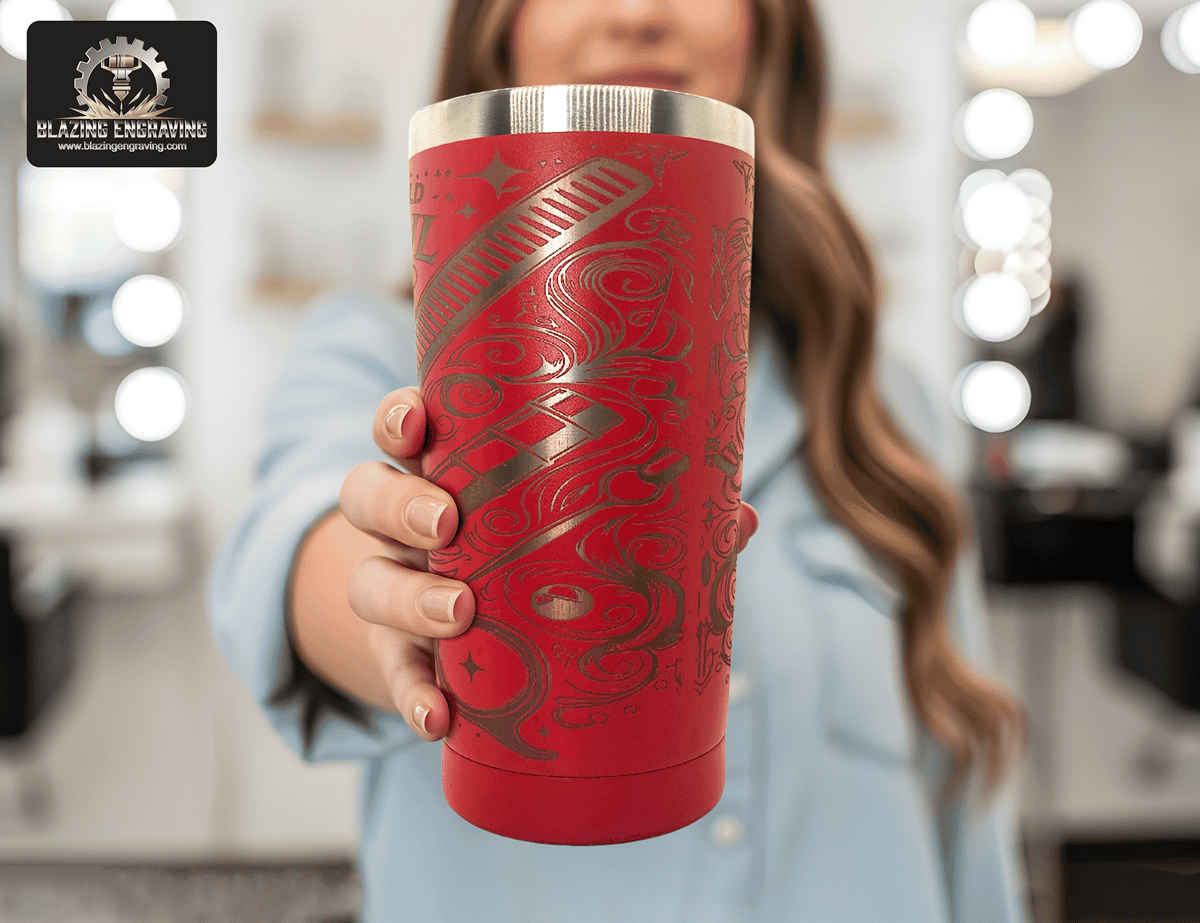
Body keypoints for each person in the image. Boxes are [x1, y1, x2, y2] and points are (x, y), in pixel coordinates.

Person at [207, 1, 1031, 920]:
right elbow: (292, 550)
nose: (639, 14)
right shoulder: (371, 351)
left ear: (768, 31)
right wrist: (395, 604)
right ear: (498, 34)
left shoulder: (886, 405)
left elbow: (961, 779)